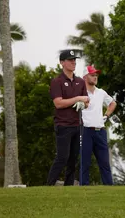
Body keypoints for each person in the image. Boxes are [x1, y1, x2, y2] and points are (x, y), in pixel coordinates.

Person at [47, 49, 89, 186]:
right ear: (62, 63)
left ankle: (69, 186)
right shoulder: (57, 82)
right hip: (63, 125)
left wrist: (83, 104)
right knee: (62, 157)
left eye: (74, 60)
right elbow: (58, 103)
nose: (73, 62)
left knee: (73, 159)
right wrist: (77, 98)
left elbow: (86, 101)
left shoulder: (80, 82)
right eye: (70, 60)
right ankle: (50, 184)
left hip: (77, 124)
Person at [80, 65, 117, 185]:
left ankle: (109, 189)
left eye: (96, 75)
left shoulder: (101, 92)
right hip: (85, 131)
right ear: (85, 77)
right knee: (85, 163)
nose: (95, 77)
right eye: (92, 75)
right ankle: (83, 188)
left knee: (105, 163)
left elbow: (112, 103)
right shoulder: (80, 93)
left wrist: (106, 116)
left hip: (100, 131)